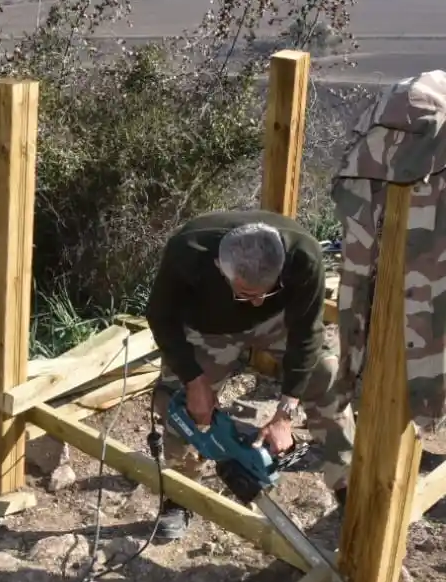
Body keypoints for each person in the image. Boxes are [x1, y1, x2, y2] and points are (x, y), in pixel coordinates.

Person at [144, 210, 354, 541]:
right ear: (219, 267)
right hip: (207, 327)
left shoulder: (304, 255)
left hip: (278, 321)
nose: (255, 302)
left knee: (326, 373)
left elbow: (307, 334)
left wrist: (285, 413)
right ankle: (179, 494)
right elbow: (160, 316)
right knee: (182, 406)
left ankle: (346, 486)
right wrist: (193, 379)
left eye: (264, 291)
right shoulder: (187, 251)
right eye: (244, 293)